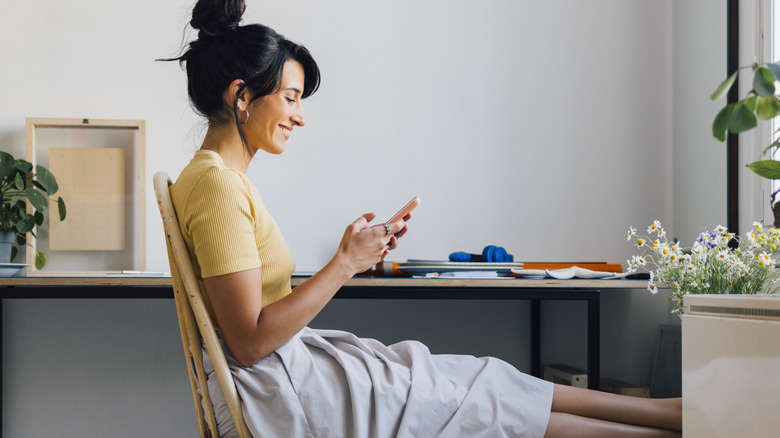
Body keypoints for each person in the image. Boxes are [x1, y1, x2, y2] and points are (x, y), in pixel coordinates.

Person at [162, 1, 683, 436]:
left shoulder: (217, 179)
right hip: (281, 389)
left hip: (296, 371)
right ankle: (677, 425)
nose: (301, 115)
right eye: (292, 98)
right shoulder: (216, 184)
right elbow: (251, 342)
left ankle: (671, 415)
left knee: (486, 381)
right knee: (482, 404)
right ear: (242, 96)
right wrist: (344, 264)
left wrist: (352, 255)